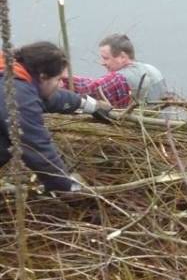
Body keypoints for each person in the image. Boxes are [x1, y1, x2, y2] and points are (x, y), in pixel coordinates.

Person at [0, 41, 112, 192]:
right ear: (43, 76)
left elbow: (48, 98)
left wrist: (89, 105)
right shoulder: (15, 93)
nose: (60, 85)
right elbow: (36, 147)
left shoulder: (13, 74)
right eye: (58, 79)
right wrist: (66, 186)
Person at [69, 34, 167, 108]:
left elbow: (88, 91)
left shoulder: (119, 79)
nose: (102, 63)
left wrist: (63, 78)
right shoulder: (153, 69)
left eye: (106, 58)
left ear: (122, 57)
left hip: (139, 131)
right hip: (164, 127)